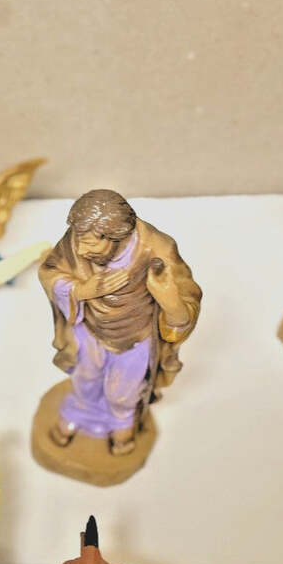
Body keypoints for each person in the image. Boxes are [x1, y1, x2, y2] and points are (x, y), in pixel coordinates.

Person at [39, 189, 202, 456]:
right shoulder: (79, 236)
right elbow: (51, 271)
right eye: (78, 241)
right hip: (89, 328)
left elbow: (187, 301)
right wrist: (80, 291)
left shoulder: (157, 250)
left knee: (123, 391)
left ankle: (122, 421)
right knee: (85, 377)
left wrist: (169, 300)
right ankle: (81, 410)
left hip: (135, 337)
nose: (80, 250)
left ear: (114, 236)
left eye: (90, 244)